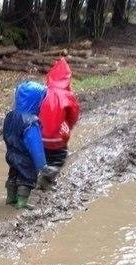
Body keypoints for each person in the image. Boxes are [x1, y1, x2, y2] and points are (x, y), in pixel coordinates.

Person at [3, 80, 58, 209]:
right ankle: (21, 203)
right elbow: (36, 146)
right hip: (25, 157)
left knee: (13, 174)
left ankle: (10, 198)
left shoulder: (10, 116)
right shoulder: (31, 122)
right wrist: (42, 165)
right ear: (35, 101)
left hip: (11, 153)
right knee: (26, 178)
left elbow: (6, 135)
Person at [37, 58, 80, 190]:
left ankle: (39, 175)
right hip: (57, 137)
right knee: (59, 158)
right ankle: (46, 179)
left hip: (39, 135)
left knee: (44, 155)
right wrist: (68, 127)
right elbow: (73, 115)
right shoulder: (67, 95)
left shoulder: (43, 92)